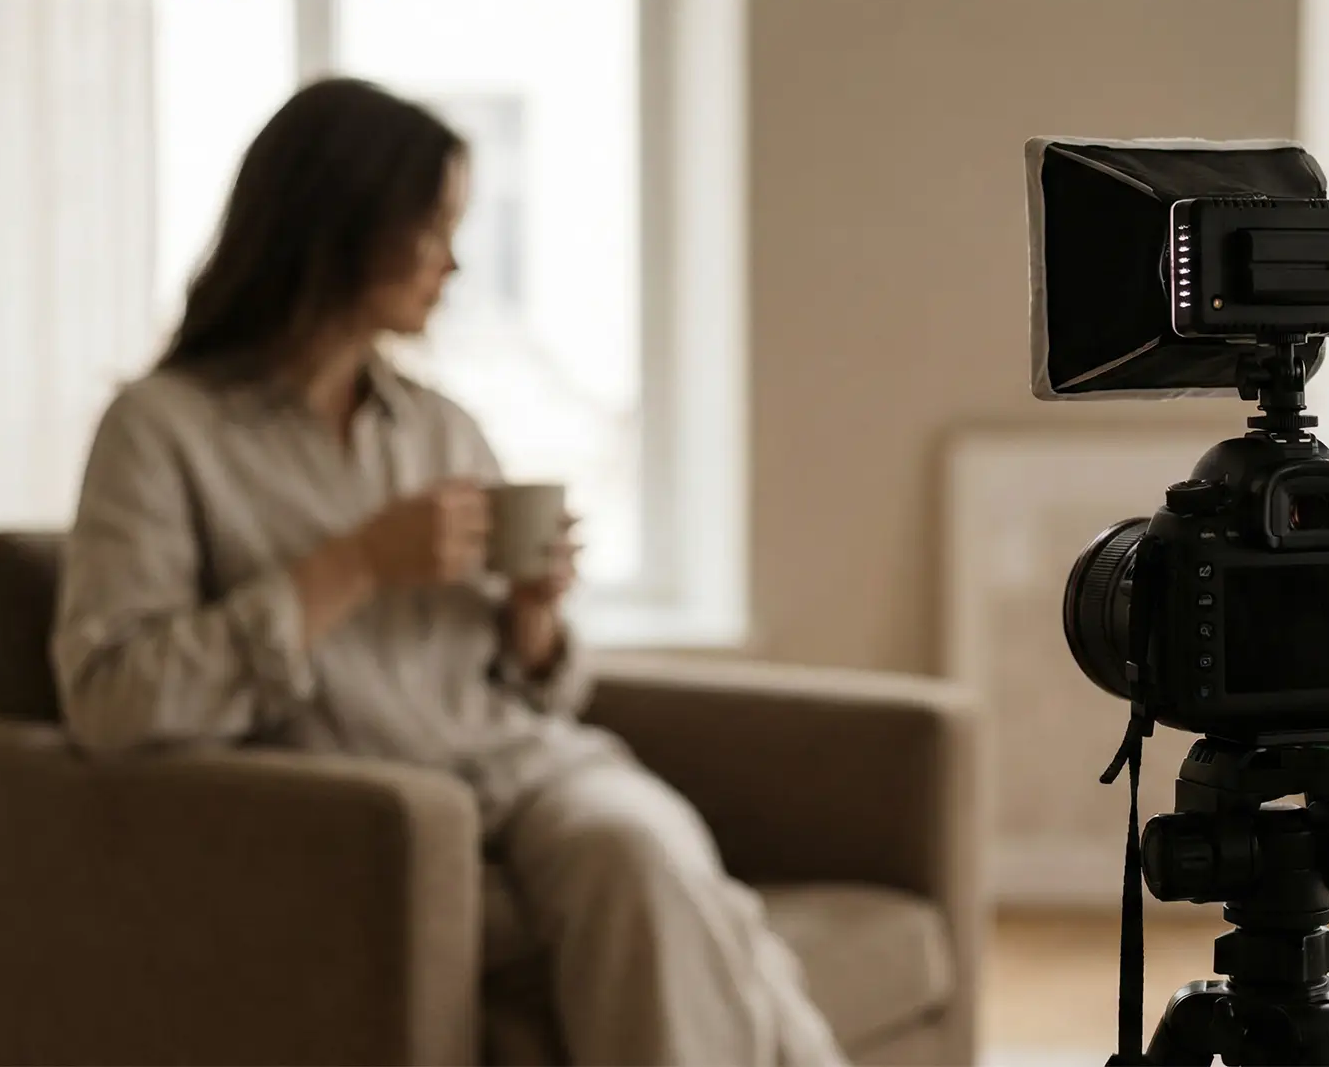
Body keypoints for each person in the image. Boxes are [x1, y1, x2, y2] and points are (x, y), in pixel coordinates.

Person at [51, 76, 845, 1067]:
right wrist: (352, 565)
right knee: (687, 911)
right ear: (339, 226)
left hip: (526, 773)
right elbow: (111, 700)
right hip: (368, 811)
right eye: (433, 230)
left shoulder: (437, 424)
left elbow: (530, 689)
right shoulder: (160, 431)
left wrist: (532, 615)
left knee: (643, 847)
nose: (455, 261)